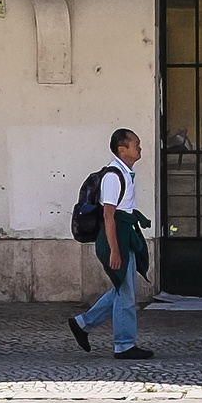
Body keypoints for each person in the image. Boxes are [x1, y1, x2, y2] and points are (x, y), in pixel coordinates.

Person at [66, 129, 153, 360]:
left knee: (123, 290)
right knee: (125, 293)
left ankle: (82, 323)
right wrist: (115, 250)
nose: (140, 147)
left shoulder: (126, 173)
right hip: (116, 238)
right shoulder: (114, 176)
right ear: (122, 149)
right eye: (136, 143)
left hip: (124, 236)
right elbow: (108, 216)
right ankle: (123, 345)